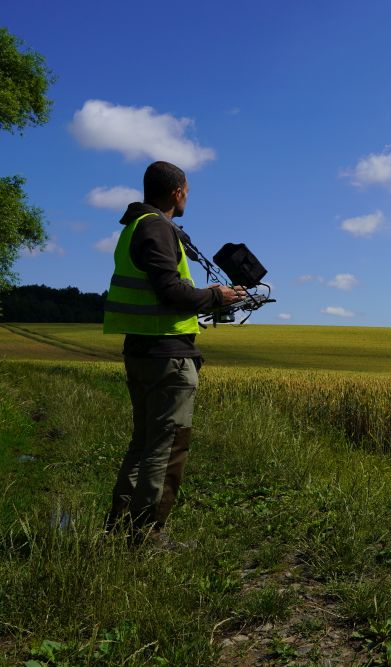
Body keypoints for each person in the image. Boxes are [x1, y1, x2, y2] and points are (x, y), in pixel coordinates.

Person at [102, 160, 244, 544]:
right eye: (187, 191)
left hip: (142, 351)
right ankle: (146, 534)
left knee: (145, 442)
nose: (187, 198)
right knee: (167, 446)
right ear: (177, 191)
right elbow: (170, 290)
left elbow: (160, 289)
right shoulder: (157, 227)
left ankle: (119, 526)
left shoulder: (136, 226)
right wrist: (218, 295)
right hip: (168, 356)